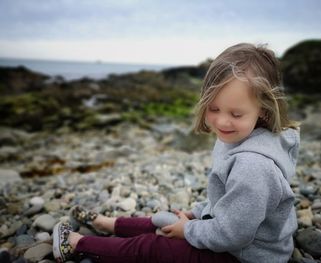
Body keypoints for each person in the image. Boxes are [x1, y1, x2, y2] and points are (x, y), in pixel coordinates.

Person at [53, 43, 300, 263]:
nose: (222, 122)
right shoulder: (238, 137)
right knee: (164, 219)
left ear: (264, 111)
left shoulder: (253, 166)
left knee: (153, 247)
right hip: (231, 237)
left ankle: (77, 245)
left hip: (245, 255)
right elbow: (229, 200)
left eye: (236, 114)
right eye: (214, 108)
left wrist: (189, 230)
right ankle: (107, 224)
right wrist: (196, 214)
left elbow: (233, 235)